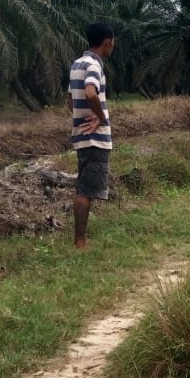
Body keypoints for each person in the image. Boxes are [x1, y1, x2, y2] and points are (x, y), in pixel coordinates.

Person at [68, 23, 114, 248]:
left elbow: (71, 99)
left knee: (84, 187)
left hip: (81, 135)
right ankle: (80, 242)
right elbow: (90, 92)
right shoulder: (95, 65)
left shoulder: (77, 64)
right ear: (107, 41)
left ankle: (80, 239)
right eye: (112, 43)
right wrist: (101, 117)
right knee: (85, 190)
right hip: (95, 138)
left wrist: (80, 117)